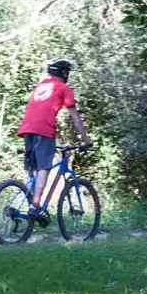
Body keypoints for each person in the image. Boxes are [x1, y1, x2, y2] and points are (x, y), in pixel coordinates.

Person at [16, 58, 93, 225]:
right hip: (43, 129)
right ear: (64, 73)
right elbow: (75, 117)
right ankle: (36, 206)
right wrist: (86, 140)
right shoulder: (64, 88)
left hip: (27, 128)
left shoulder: (41, 85)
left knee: (34, 169)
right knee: (45, 167)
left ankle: (30, 206)